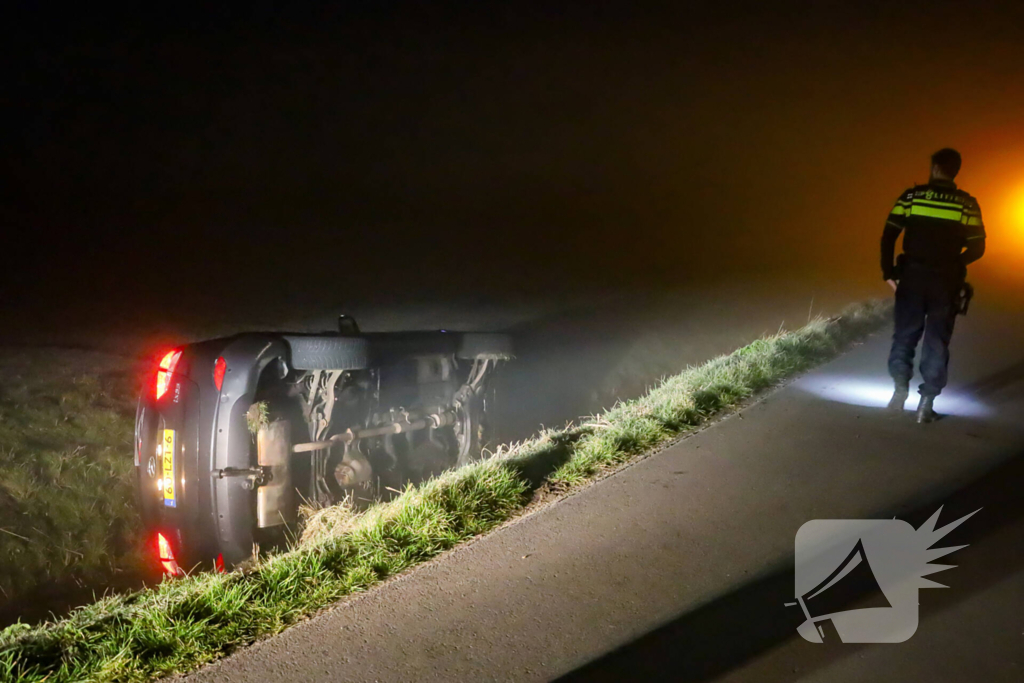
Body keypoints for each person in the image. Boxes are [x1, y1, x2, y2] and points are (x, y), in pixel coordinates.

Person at [880, 148, 986, 423]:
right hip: (945, 282)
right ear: (955, 171)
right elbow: (978, 247)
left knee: (904, 335)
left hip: (912, 277)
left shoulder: (912, 196)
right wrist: (955, 264)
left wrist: (888, 272)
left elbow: (889, 234)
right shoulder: (966, 204)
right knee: (937, 341)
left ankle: (899, 393)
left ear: (935, 168)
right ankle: (925, 405)